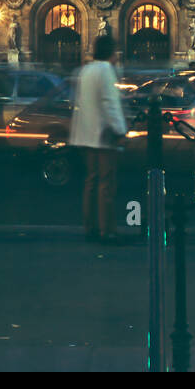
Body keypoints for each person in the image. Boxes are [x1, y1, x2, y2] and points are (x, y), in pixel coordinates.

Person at [70, 34, 128, 243]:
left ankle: (90, 226)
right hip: (103, 134)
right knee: (106, 183)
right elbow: (110, 103)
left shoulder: (86, 69)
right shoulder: (105, 71)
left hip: (86, 133)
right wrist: (120, 130)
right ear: (111, 52)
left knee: (91, 181)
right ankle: (107, 230)